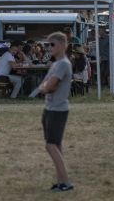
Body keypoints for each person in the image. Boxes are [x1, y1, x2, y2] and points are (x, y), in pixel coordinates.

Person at [38, 31, 74, 192]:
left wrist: (45, 88)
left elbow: (49, 86)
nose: (49, 48)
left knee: (50, 145)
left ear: (62, 45)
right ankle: (61, 181)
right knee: (56, 145)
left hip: (57, 109)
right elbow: (44, 84)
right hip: (50, 107)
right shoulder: (55, 64)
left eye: (52, 44)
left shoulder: (63, 64)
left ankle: (65, 181)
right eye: (48, 44)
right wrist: (45, 87)